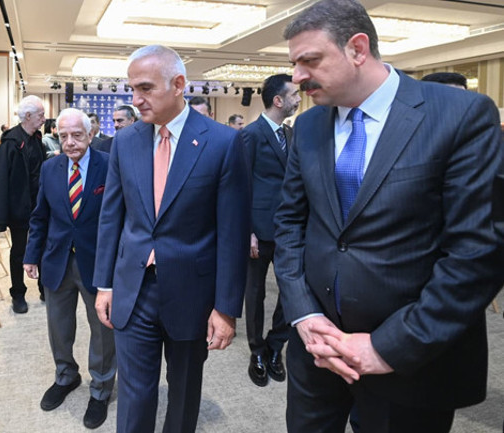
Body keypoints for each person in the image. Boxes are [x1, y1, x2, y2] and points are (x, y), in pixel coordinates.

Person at [274, 1, 504, 432]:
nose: (298, 77)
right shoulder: (308, 126)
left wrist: (387, 347)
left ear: (358, 49)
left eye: (310, 60)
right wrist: (304, 315)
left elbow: (477, 252)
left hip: (410, 360)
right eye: (294, 64)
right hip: (316, 350)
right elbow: (289, 225)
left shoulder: (460, 115)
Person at [93, 44, 249, 433]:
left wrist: (226, 308)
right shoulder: (125, 141)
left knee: (183, 394)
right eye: (132, 89)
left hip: (192, 292)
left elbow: (232, 233)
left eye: (145, 88)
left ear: (178, 84)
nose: (135, 99)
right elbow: (112, 217)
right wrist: (104, 284)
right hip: (133, 289)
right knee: (134, 396)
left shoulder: (223, 142)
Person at [23, 108, 116, 429]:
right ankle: (65, 375)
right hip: (57, 260)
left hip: (98, 262)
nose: (70, 142)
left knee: (102, 329)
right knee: (58, 326)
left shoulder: (109, 165)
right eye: (63, 136)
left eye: (77, 135)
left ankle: (101, 388)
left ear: (90, 134)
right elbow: (40, 216)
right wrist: (31, 255)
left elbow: (120, 216)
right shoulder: (51, 168)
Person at [240, 73, 300, 388]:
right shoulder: (250, 135)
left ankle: (276, 344)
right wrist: (247, 230)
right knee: (255, 293)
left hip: (289, 229)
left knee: (291, 291)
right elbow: (240, 186)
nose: (299, 99)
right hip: (258, 230)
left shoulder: (290, 134)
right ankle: (257, 351)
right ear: (278, 100)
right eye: (294, 95)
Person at [0, 95, 46, 313]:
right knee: (19, 252)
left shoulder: (37, 139)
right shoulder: (10, 143)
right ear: (28, 116)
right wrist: (1, 218)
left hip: (39, 207)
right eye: (41, 115)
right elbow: (1, 182)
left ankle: (44, 288)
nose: (44, 119)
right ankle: (18, 294)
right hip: (19, 210)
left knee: (42, 247)